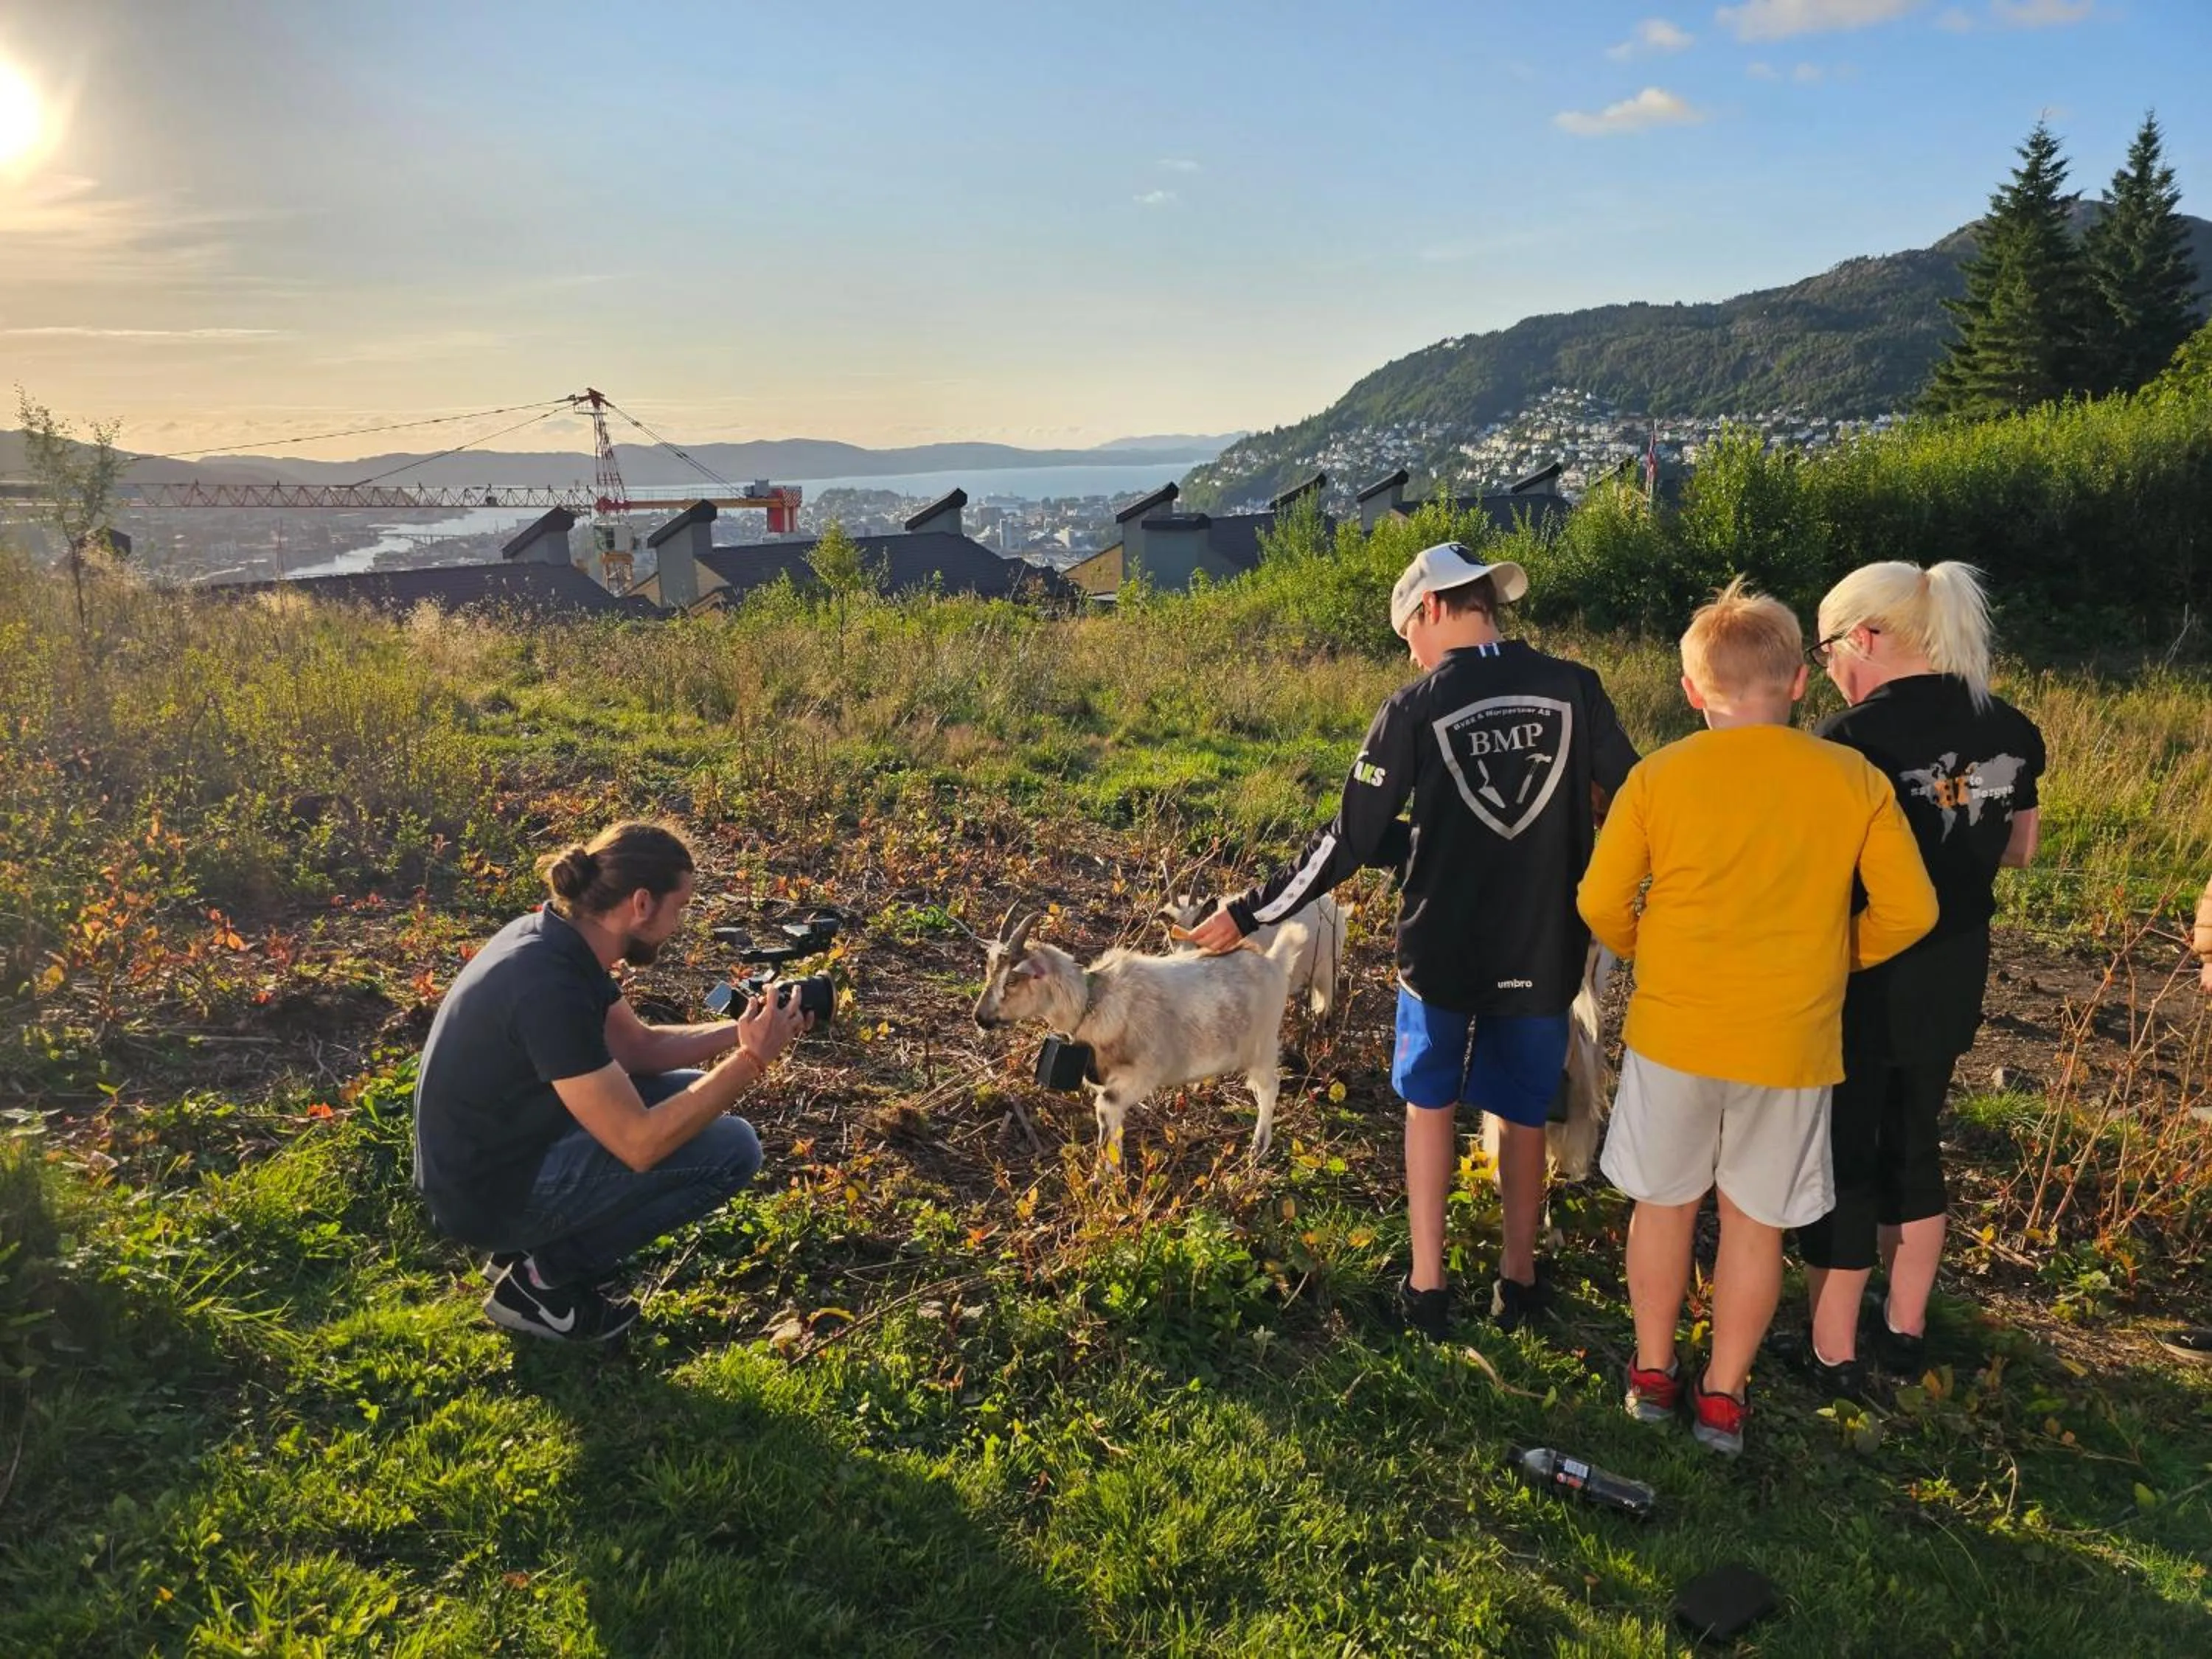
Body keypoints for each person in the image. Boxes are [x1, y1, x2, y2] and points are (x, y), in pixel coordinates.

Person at [1188, 540, 1639, 1338]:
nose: (1413, 653)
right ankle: (1519, 1283)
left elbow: (1348, 839)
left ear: (1431, 609)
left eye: (1409, 636)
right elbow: (1634, 803)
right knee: (1526, 1113)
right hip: (1545, 947)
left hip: (1440, 953)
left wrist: (1251, 910)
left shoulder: (1415, 706)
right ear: (1487, 601)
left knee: (1428, 1105)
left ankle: (1428, 1289)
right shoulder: (1578, 688)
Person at [1579, 579, 1937, 1455]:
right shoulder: (1852, 779)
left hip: (1675, 1033)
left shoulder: (1658, 777)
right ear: (1798, 684)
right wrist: (1837, 957)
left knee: (1661, 1209)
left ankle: (1653, 1372)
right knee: (1755, 1224)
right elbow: (1912, 912)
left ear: (1693, 689)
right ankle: (1725, 1396)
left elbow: (1599, 902)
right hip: (1792, 1039)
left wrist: (1651, 949)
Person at [1791, 563, 2045, 1396]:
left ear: (1864, 637)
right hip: (1956, 969)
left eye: (1828, 646)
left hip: (1862, 969)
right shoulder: (2011, 726)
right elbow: (2020, 848)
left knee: (1845, 1152)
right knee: (1916, 1140)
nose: (1828, 664)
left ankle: (1832, 1346)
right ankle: (1905, 1332)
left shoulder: (1847, 740)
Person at [413, 821, 809, 1342]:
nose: (678, 924)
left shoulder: (553, 938)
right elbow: (640, 1145)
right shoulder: (550, 989)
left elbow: (639, 1049)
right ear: (641, 904)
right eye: (680, 908)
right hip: (486, 1199)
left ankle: (529, 1252)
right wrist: (751, 1062)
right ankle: (542, 1282)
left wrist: (744, 1031)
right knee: (733, 1148)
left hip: (494, 1157)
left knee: (685, 1088)